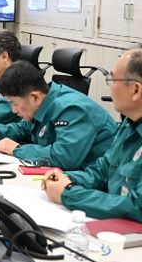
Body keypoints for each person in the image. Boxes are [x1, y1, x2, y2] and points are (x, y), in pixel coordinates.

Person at [42, 48, 142, 221]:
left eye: (113, 80)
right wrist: (67, 178)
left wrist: (68, 193)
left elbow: (136, 206)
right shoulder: (129, 124)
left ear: (135, 90)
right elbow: (102, 171)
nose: (110, 87)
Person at [0, 60, 118, 169]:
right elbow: (25, 128)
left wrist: (17, 149)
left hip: (97, 182)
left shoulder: (73, 110)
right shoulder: (44, 101)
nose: (13, 110)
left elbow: (64, 157)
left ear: (35, 97)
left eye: (14, 103)